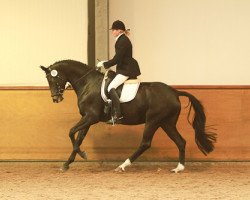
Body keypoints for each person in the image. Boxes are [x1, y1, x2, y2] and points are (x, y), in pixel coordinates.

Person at [97, 20, 141, 124]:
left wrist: (105, 64)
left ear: (119, 30)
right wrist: (106, 63)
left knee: (111, 87)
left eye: (113, 30)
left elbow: (117, 58)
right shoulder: (121, 39)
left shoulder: (123, 41)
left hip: (126, 69)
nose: (112, 32)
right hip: (123, 68)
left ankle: (118, 115)